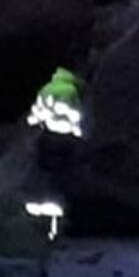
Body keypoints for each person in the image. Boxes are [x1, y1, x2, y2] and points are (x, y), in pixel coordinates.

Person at [23, 67, 86, 240]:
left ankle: (36, 227)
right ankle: (56, 227)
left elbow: (35, 115)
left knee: (42, 177)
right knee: (61, 181)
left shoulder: (45, 89)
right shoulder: (71, 91)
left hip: (46, 138)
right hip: (65, 140)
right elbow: (77, 116)